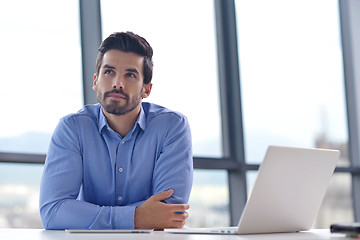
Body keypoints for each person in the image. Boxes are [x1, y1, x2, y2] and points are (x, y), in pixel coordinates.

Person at [39, 32, 193, 230]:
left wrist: (86, 215)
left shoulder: (172, 126)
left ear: (146, 89)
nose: (117, 83)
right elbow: (53, 212)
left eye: (130, 75)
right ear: (96, 81)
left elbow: (169, 212)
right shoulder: (73, 128)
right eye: (109, 72)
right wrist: (136, 217)